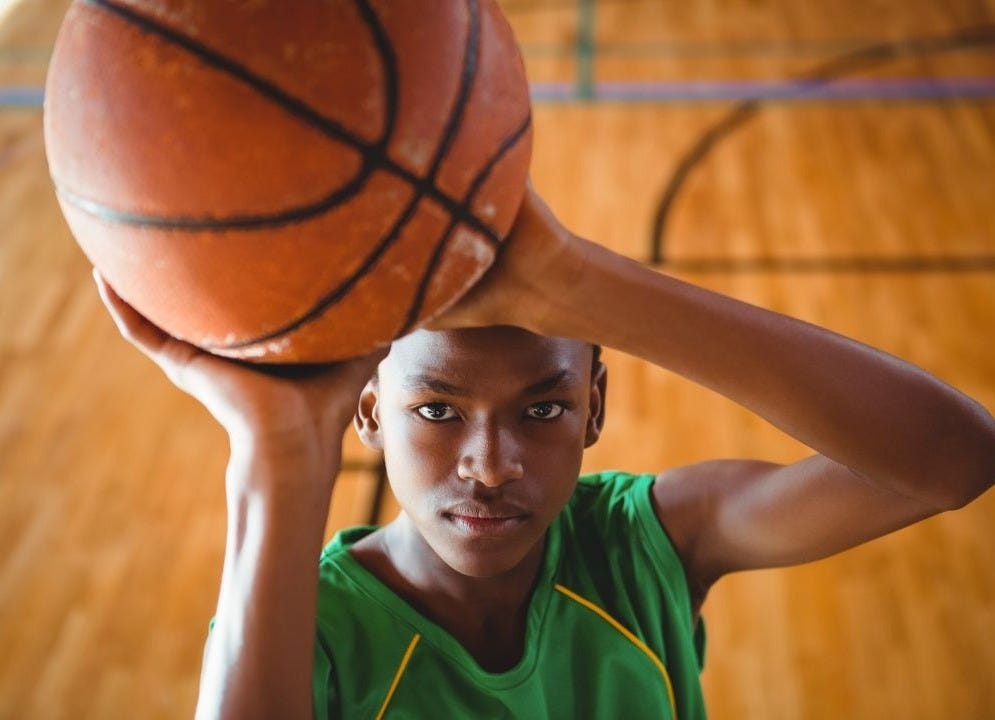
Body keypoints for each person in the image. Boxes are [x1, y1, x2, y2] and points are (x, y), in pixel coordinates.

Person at [95, 186, 994, 720]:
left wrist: (581, 283)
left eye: (544, 407)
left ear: (593, 407)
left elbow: (953, 460)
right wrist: (274, 449)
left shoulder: (648, 547)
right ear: (366, 414)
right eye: (438, 408)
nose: (490, 463)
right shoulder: (306, 629)